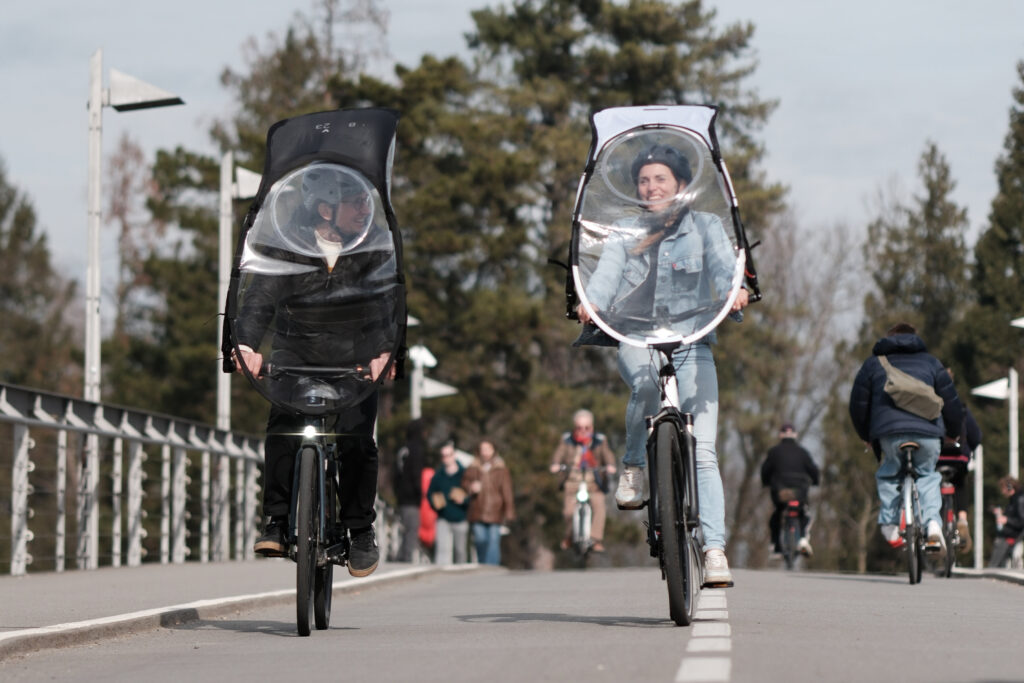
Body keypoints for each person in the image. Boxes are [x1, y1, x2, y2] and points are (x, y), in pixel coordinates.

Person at [577, 144, 749, 587]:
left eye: (661, 179)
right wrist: (591, 302)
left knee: (705, 453)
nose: (651, 187)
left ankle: (714, 551)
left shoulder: (706, 226)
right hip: (638, 338)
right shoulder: (624, 231)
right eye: (644, 180)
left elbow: (723, 267)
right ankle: (634, 464)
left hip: (693, 340)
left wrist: (735, 292)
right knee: (647, 387)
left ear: (682, 187)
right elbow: (607, 275)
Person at [233, 164, 400, 578]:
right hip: (297, 357)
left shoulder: (373, 247)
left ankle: (359, 529)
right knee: (283, 428)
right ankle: (275, 520)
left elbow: (385, 305)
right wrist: (248, 344)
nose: (365, 209)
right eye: (355, 202)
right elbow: (260, 299)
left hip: (355, 362)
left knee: (357, 440)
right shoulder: (287, 245)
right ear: (325, 211)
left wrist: (385, 351)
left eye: (366, 201)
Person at [848, 322, 964, 553]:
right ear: (916, 338)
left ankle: (890, 524)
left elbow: (858, 406)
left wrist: (866, 436)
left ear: (888, 339)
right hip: (928, 433)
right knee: (927, 476)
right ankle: (932, 524)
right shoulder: (932, 363)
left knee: (890, 474)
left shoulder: (873, 365)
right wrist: (952, 433)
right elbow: (952, 404)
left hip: (889, 434)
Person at [549, 409, 617, 552]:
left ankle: (595, 539)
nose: (583, 431)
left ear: (592, 427)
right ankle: (569, 536)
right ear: (574, 427)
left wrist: (610, 465)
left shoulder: (599, 440)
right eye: (579, 428)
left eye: (587, 428)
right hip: (573, 480)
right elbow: (558, 454)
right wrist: (555, 465)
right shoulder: (567, 440)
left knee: (599, 507)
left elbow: (608, 455)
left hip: (593, 482)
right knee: (568, 511)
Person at [936, 368, 982, 553]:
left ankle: (935, 525)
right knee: (961, 482)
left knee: (931, 485)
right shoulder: (961, 407)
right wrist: (968, 450)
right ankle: (962, 519)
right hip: (958, 457)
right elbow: (976, 436)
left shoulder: (930, 405)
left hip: (936, 457)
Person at [761, 422, 820, 557]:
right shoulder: (803, 452)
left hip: (780, 491)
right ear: (795, 435)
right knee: (805, 513)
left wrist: (765, 482)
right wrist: (815, 482)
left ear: (780, 435)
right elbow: (813, 470)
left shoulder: (774, 452)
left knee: (777, 514)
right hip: (800, 491)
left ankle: (776, 546)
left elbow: (765, 470)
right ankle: (804, 540)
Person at [462, 440, 515, 565]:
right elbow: (464, 483)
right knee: (480, 540)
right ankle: (483, 564)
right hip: (477, 509)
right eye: (483, 449)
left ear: (493, 450)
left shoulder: (501, 469)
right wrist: (471, 487)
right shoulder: (472, 467)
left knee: (493, 541)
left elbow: (507, 491)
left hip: (495, 509)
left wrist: (509, 511)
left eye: (488, 449)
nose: (485, 452)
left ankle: (492, 566)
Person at [427, 440, 470, 565]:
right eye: (443, 456)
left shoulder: (464, 473)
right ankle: (441, 576)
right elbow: (430, 493)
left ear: (454, 455)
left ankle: (461, 575)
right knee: (442, 550)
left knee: (460, 550)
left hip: (460, 517)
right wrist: (435, 503)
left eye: (449, 455)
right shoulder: (438, 475)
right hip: (443, 517)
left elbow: (471, 495)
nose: (446, 458)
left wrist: (464, 500)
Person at [393, 418, 426, 562]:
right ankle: (405, 558)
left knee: (407, 528)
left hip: (402, 496)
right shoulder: (416, 450)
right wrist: (420, 493)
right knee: (412, 528)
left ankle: (402, 555)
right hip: (411, 497)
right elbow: (416, 474)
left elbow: (394, 475)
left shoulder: (403, 449)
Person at [988, 476, 1024, 568]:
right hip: (1009, 535)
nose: (1002, 492)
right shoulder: (1014, 500)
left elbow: (1021, 521)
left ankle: (992, 570)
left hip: (1013, 536)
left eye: (1003, 488)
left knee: (994, 564)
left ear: (1009, 488)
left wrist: (1007, 520)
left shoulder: (1019, 500)